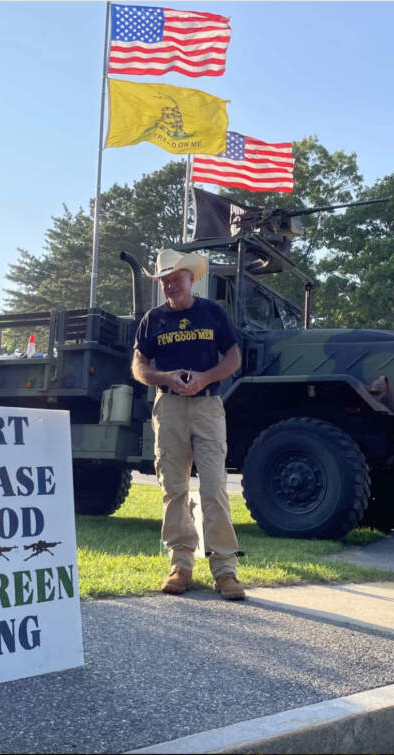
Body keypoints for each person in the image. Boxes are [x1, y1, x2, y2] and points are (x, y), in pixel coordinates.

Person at [131, 249, 245, 600]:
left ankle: (225, 571)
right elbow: (139, 367)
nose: (170, 286)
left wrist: (204, 377)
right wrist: (164, 376)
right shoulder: (153, 319)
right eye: (165, 282)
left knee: (214, 488)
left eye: (176, 280)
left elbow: (234, 357)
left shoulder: (213, 313)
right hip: (168, 409)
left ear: (191, 279)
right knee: (174, 489)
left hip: (208, 406)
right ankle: (180, 565)